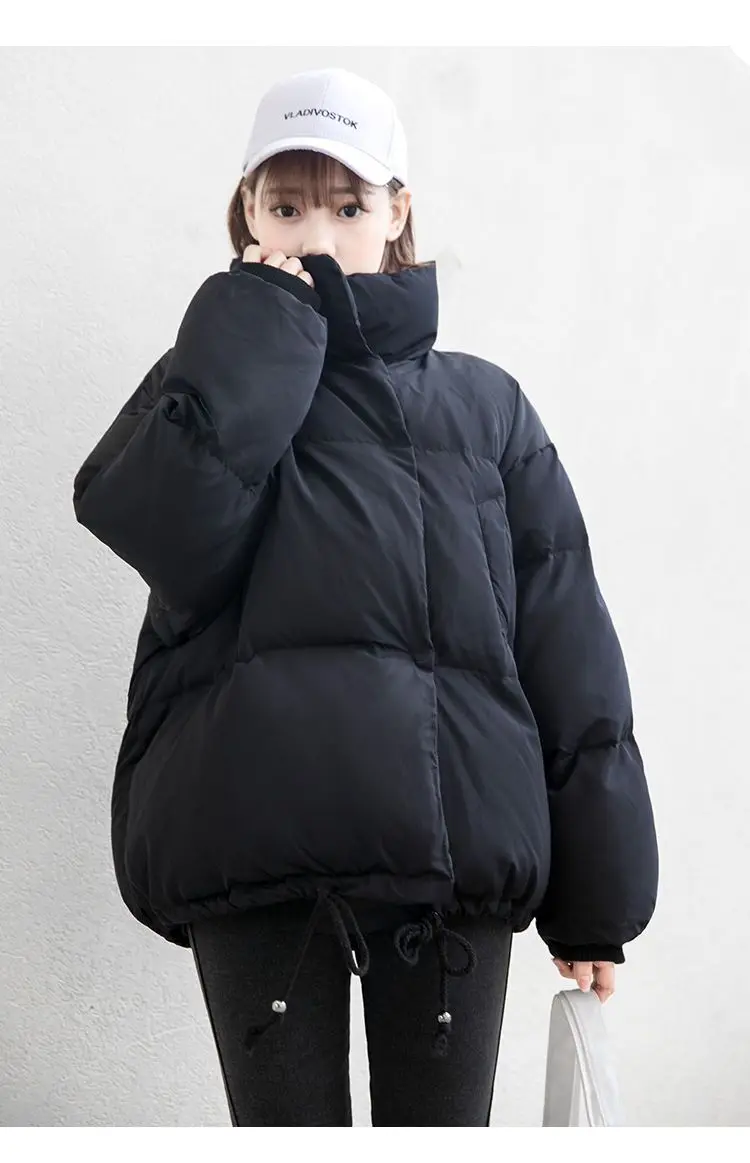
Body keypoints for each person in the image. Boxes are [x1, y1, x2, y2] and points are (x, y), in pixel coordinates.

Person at [72, 66, 659, 1127]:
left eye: (348, 207)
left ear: (399, 215)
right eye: (288, 206)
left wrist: (596, 896)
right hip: (253, 842)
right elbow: (164, 537)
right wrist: (256, 335)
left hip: (449, 855)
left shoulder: (485, 407)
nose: (318, 236)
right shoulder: (204, 379)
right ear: (247, 213)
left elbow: (567, 641)